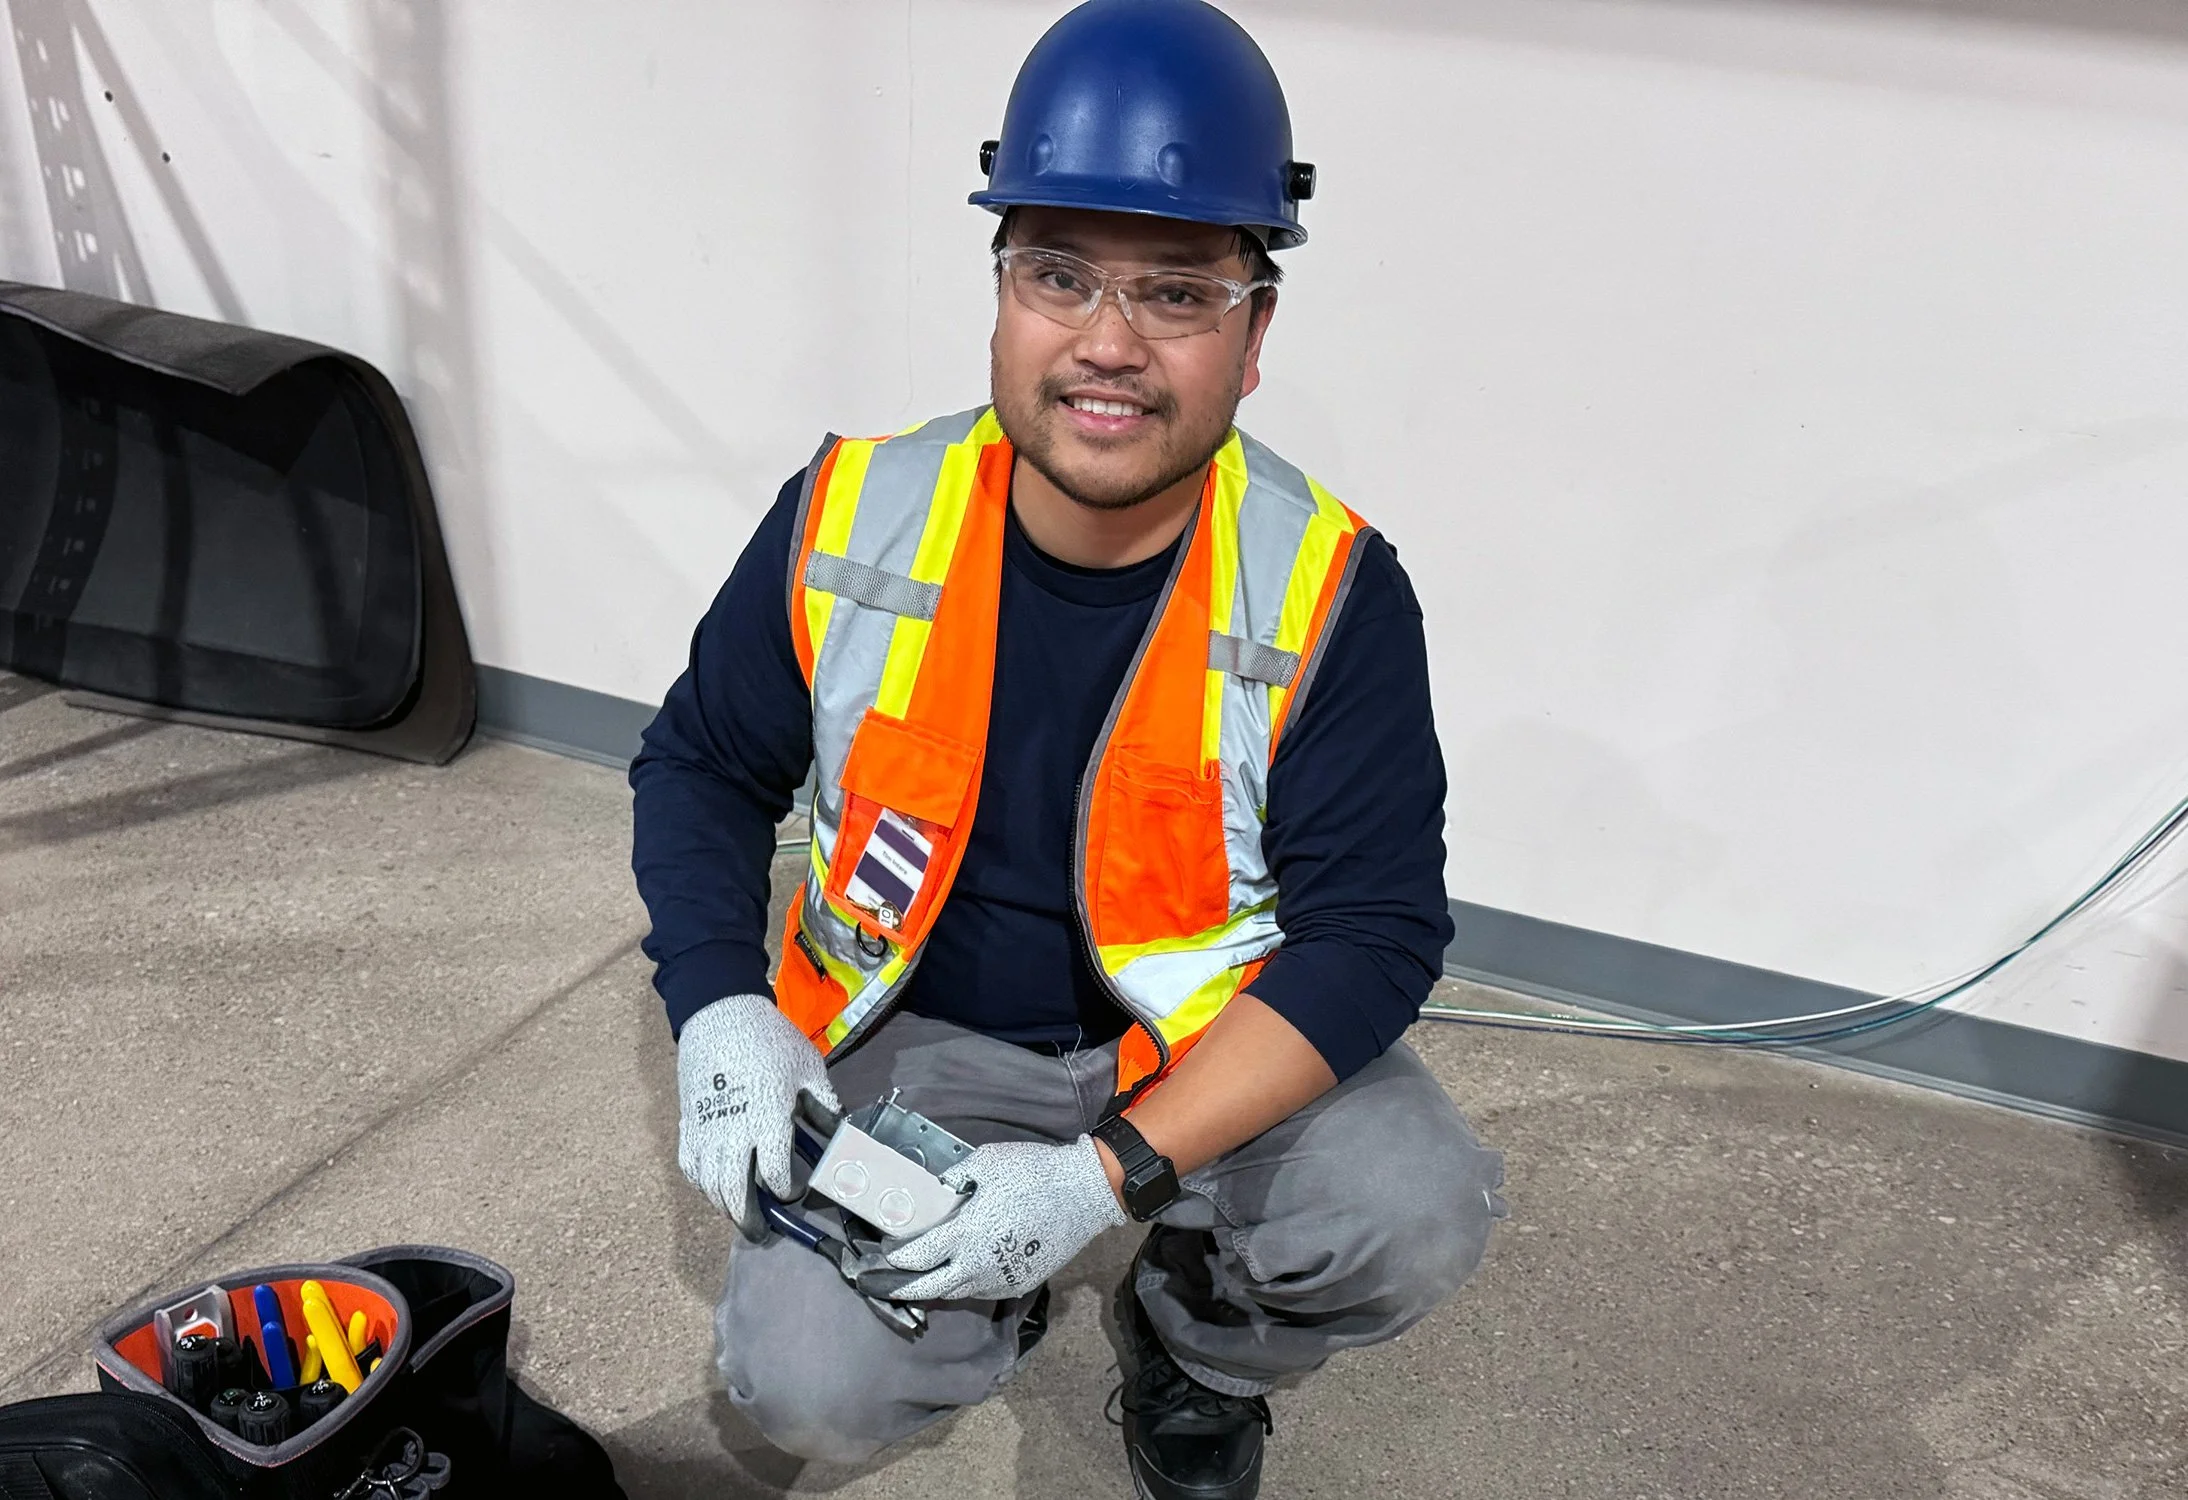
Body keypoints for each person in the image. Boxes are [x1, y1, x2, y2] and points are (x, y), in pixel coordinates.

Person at [629, 3, 1506, 1495]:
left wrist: (1106, 1179)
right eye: (1059, 274)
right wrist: (719, 1004)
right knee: (807, 1388)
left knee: (1409, 1210)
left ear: (1254, 333)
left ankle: (1196, 1337)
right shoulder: (853, 512)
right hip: (921, 1033)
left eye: (1177, 293)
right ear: (1001, 293)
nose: (1108, 342)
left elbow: (1373, 934)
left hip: (1198, 1039)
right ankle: (986, 1286)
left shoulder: (1331, 588)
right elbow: (704, 766)